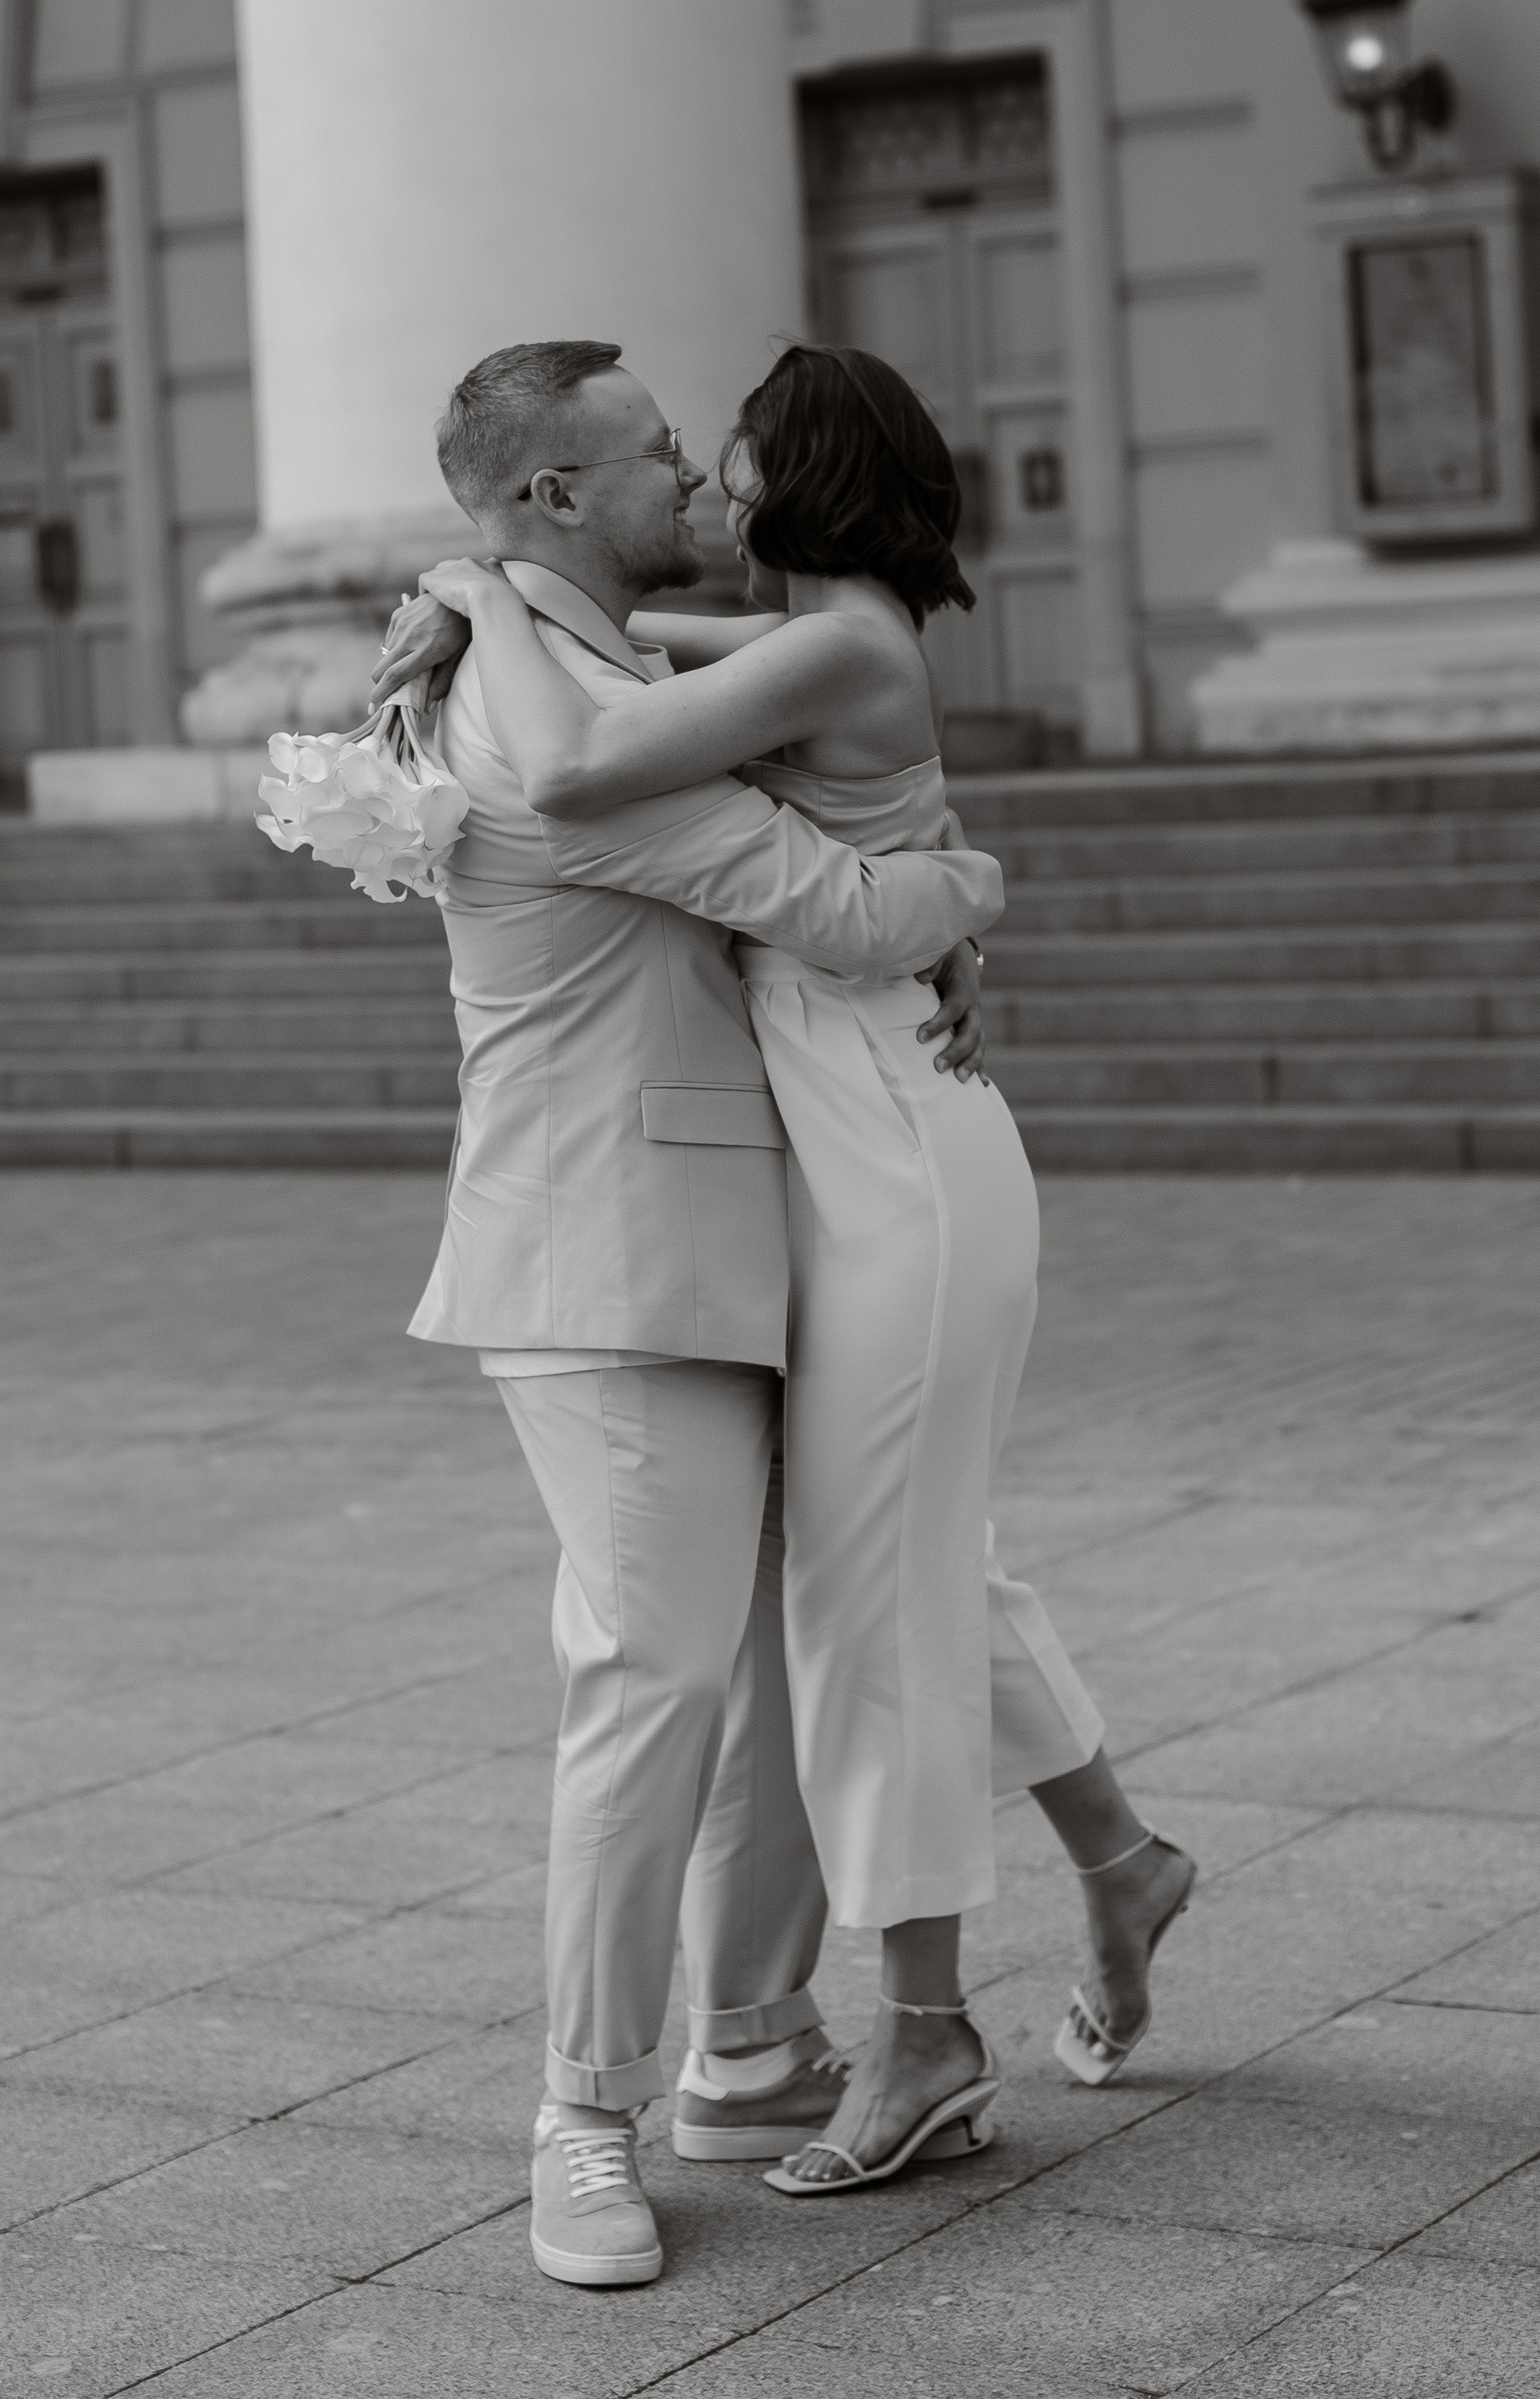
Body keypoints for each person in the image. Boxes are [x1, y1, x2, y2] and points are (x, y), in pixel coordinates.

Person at [396, 342, 1197, 2199]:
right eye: (678, 460)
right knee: (904, 1562)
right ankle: (1115, 1859)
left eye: (727, 459)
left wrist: (465, 584)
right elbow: (621, 668)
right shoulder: (794, 644)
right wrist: (486, 592)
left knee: (869, 1595)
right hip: (829, 1139)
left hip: (891, 1150)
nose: (703, 487)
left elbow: (593, 745)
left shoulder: (836, 646)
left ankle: (920, 2025)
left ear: (808, 482)